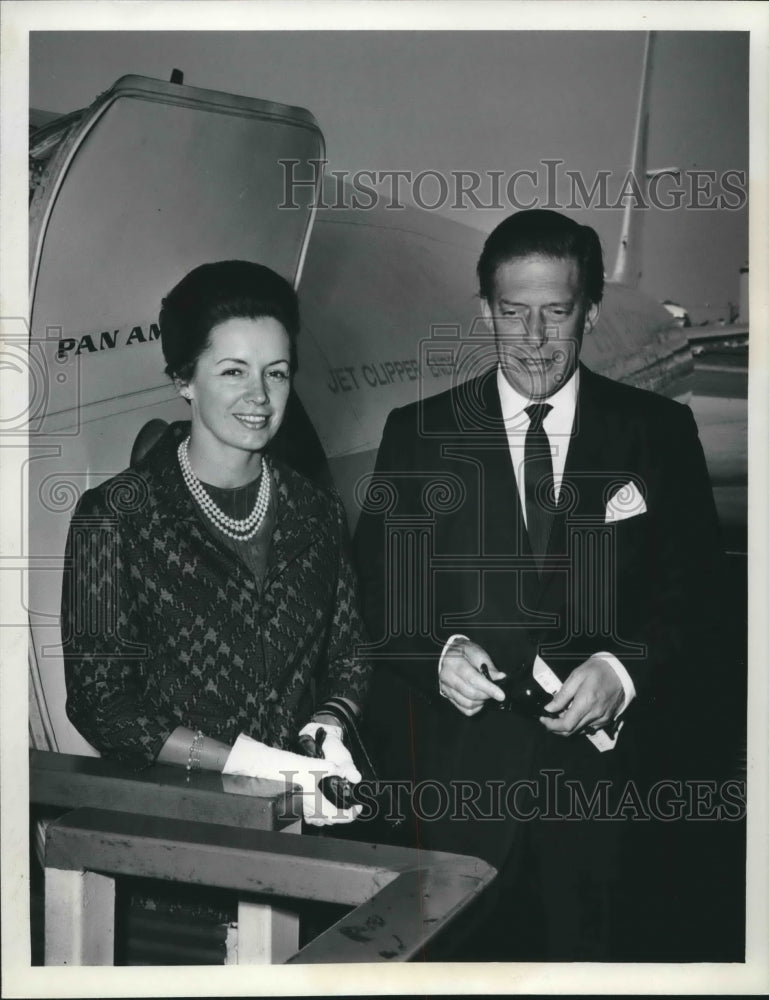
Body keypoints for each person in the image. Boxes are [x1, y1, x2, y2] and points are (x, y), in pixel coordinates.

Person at [353, 209, 725, 959]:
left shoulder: (654, 433)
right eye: (512, 313)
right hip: (455, 803)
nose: (531, 340)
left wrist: (623, 669)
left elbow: (700, 595)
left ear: (587, 310)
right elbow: (375, 596)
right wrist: (435, 654)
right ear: (484, 310)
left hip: (609, 808)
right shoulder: (417, 435)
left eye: (554, 313)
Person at [62, 260, 370, 827]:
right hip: (172, 831)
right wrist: (245, 763)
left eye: (276, 373)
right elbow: (100, 703)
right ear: (184, 378)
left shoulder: (317, 510)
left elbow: (348, 652)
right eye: (233, 371)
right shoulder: (115, 516)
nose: (259, 396)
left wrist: (327, 722)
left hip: (298, 819)